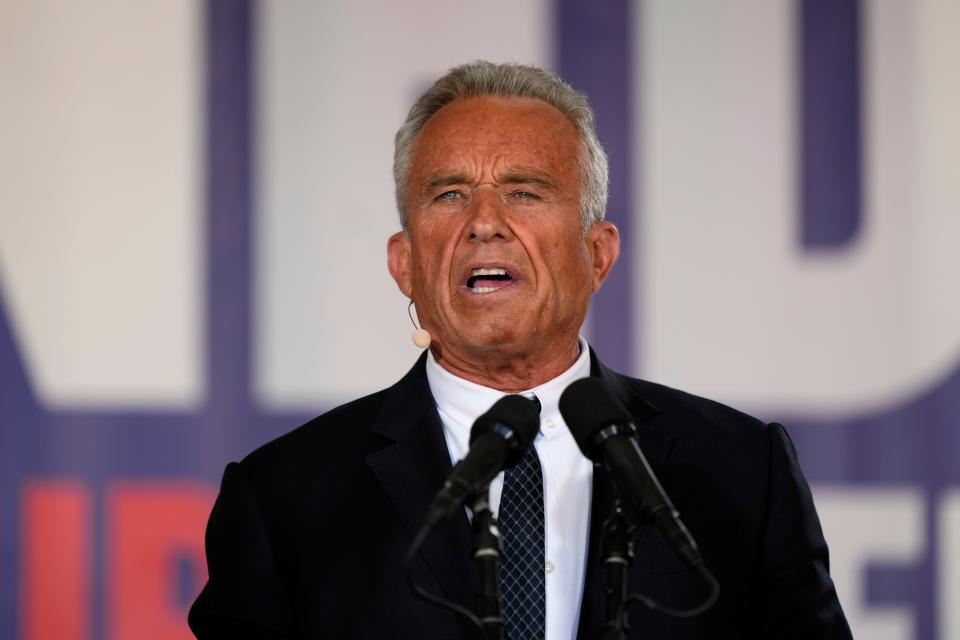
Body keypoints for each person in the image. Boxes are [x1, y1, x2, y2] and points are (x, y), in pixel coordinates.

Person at [189, 61, 851, 639]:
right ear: (404, 264)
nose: (483, 222)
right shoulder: (285, 498)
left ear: (598, 254)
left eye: (524, 192)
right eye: (449, 194)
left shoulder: (740, 473)